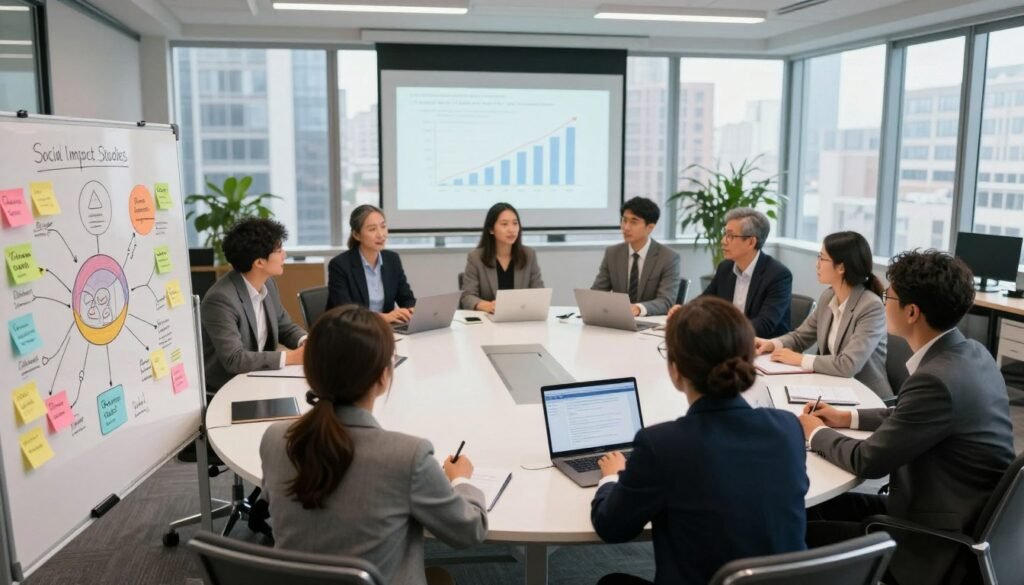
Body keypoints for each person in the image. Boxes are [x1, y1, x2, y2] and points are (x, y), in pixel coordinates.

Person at [800, 250, 1015, 585]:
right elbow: (909, 415)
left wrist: (815, 433)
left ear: (912, 312)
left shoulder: (935, 380)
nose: (883, 300)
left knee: (798, 537)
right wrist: (846, 417)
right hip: (950, 507)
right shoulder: (971, 353)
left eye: (889, 295)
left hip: (931, 539)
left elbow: (867, 461)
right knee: (815, 509)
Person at [260, 305, 488, 585]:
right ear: (382, 377)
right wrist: (461, 480)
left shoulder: (275, 439)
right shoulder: (408, 457)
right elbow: (469, 531)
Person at [591, 296, 808, 585]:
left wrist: (610, 479)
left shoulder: (661, 445)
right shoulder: (788, 428)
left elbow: (611, 527)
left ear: (676, 371)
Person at [754, 231, 892, 399]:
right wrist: (771, 344)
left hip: (867, 397)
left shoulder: (871, 307)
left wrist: (800, 359)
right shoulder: (828, 296)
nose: (817, 264)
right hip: (833, 388)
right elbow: (800, 337)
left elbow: (848, 365)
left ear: (841, 267)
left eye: (822, 258)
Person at [200, 217, 306, 393]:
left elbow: (284, 325)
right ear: (259, 262)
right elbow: (235, 359)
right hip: (227, 388)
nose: (284, 255)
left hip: (260, 378)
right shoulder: (220, 299)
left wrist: (306, 341)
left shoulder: (268, 284)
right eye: (279, 250)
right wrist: (292, 357)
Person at [669, 207, 792, 337]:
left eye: (730, 236)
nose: (723, 241)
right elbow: (704, 302)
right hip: (728, 344)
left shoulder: (778, 275)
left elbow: (764, 325)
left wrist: (720, 330)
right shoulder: (725, 268)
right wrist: (684, 311)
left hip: (763, 349)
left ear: (751, 242)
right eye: (725, 234)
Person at [326, 204, 416, 324]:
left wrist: (410, 310)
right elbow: (345, 313)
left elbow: (406, 298)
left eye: (383, 227)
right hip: (349, 333)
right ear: (356, 235)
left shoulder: (392, 260)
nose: (381, 234)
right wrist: (383, 318)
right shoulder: (340, 265)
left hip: (384, 331)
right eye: (372, 229)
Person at [591, 197, 680, 316]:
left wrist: (638, 308)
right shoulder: (612, 253)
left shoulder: (668, 257)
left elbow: (666, 301)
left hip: (650, 324)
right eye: (624, 220)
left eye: (634, 222)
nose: (626, 227)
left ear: (650, 227)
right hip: (619, 321)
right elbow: (597, 293)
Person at [460, 202, 544, 312]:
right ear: (491, 229)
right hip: (488, 323)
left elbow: (539, 293)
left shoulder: (529, 255)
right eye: (504, 224)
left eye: (515, 223)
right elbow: (467, 297)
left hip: (520, 319)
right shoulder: (476, 258)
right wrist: (488, 306)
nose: (511, 229)